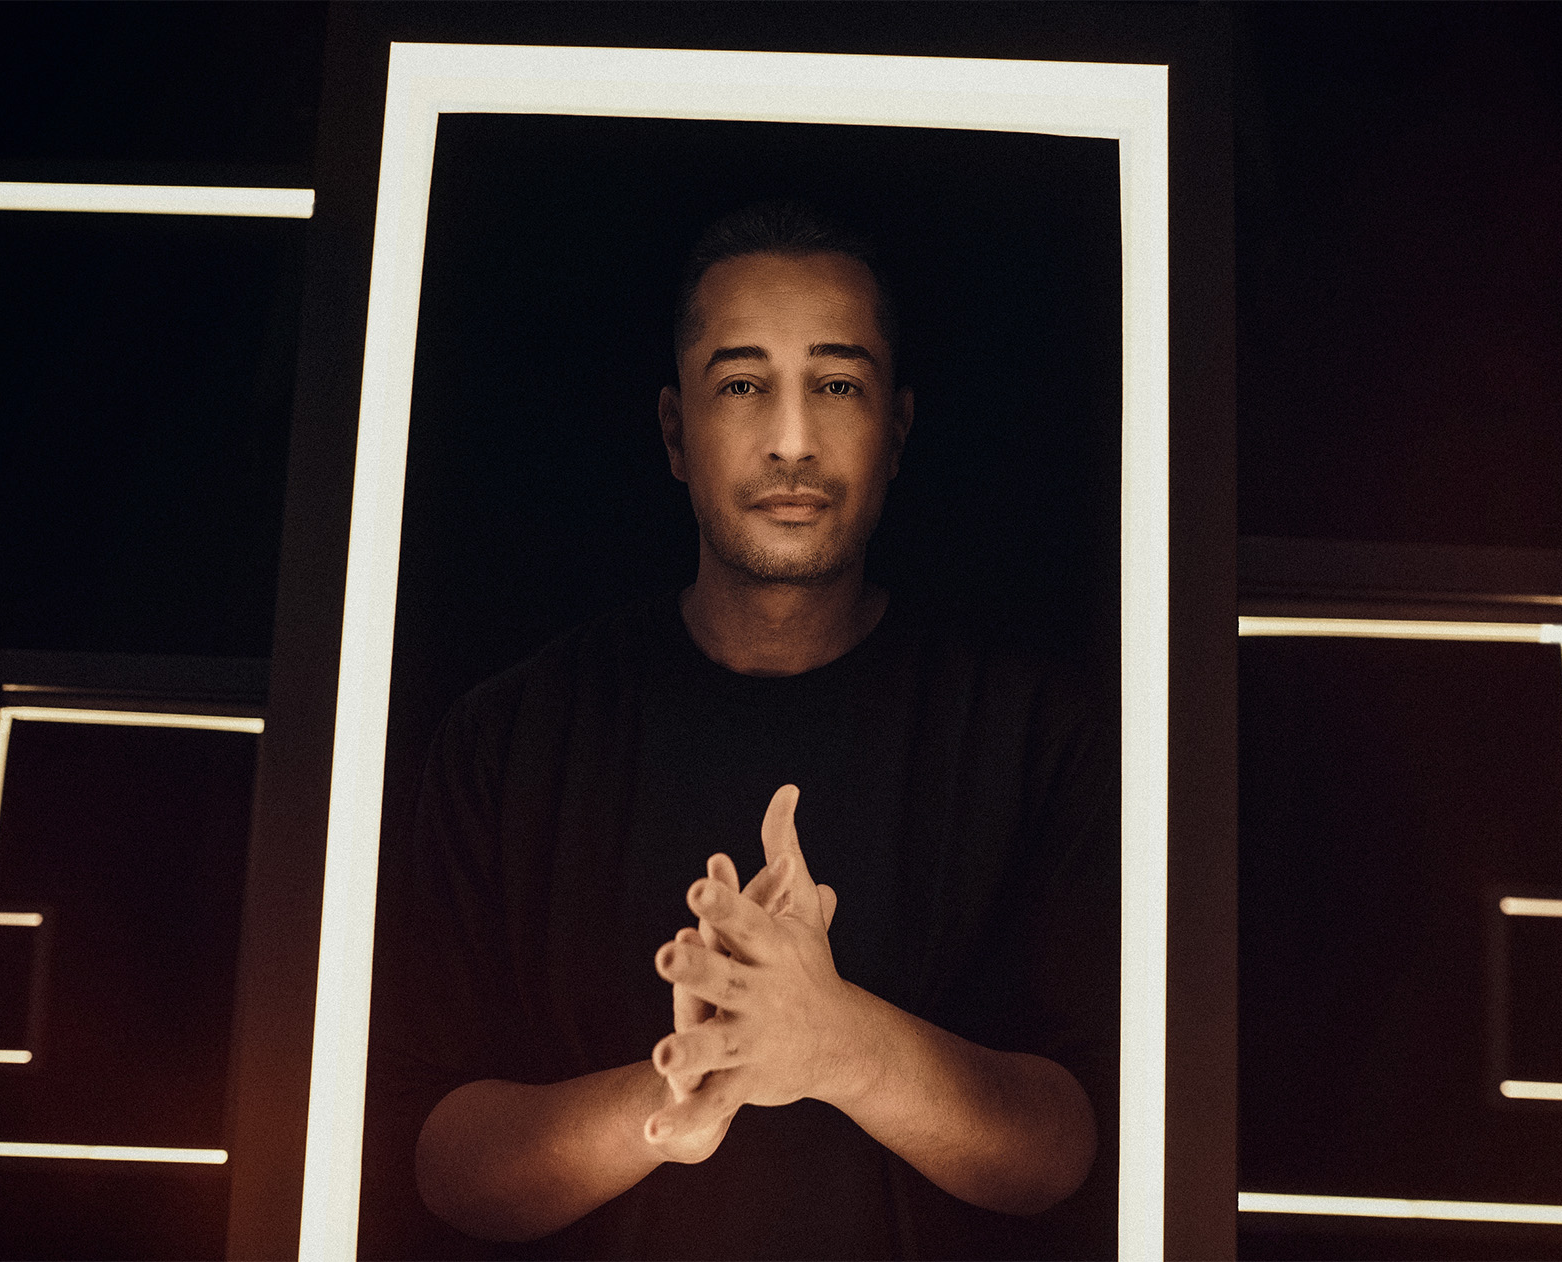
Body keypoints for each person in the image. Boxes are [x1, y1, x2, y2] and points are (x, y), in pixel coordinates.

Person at [373, 202, 1118, 1259]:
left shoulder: (1035, 736)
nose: (792, 439)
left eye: (837, 384)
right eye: (742, 384)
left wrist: (840, 1043)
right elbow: (440, 1161)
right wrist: (680, 1090)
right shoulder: (510, 739)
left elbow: (1070, 1146)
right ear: (675, 431)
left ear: (898, 431)